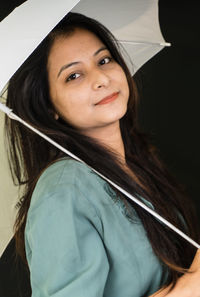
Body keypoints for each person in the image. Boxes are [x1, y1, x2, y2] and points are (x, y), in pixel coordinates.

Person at [4, 12, 200, 297]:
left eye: (104, 60)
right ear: (49, 107)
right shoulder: (63, 190)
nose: (101, 78)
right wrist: (191, 284)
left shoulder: (137, 162)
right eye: (73, 75)